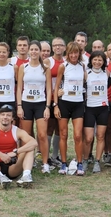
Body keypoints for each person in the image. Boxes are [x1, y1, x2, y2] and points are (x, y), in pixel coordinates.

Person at [0, 105, 38, 189]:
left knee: (29, 148)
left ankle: (26, 175)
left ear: (12, 118)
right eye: (3, 115)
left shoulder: (17, 131)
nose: (5, 117)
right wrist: (1, 155)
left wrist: (15, 152)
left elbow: (34, 142)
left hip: (12, 166)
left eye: (8, 115)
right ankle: (0, 176)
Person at [17, 40, 52, 174]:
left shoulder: (45, 69)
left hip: (40, 104)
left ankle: (45, 163)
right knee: (27, 135)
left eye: (36, 49)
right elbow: (19, 87)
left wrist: (47, 107)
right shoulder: (23, 67)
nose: (33, 52)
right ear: (28, 51)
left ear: (40, 52)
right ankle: (27, 162)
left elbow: (49, 89)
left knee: (42, 135)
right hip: (26, 103)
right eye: (31, 49)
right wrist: (19, 106)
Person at [53, 42, 86, 175]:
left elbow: (84, 83)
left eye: (76, 52)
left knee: (78, 135)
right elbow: (56, 87)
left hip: (78, 103)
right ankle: (64, 164)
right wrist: (55, 105)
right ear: (67, 53)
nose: (73, 55)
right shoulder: (63, 66)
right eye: (71, 53)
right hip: (64, 103)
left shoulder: (82, 66)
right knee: (64, 134)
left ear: (79, 53)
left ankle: (79, 163)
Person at [82, 51, 109, 173]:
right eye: (95, 59)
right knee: (88, 138)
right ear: (91, 60)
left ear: (103, 62)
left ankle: (97, 161)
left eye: (100, 60)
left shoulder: (107, 73)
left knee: (100, 136)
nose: (97, 62)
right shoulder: (86, 73)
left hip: (103, 108)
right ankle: (86, 159)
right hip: (89, 108)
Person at [44, 37, 65, 167]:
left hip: (63, 99)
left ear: (64, 48)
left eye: (60, 45)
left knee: (60, 128)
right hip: (49, 98)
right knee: (49, 127)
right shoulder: (48, 61)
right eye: (55, 45)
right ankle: (46, 155)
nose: (58, 47)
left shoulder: (67, 61)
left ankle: (55, 155)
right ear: (52, 48)